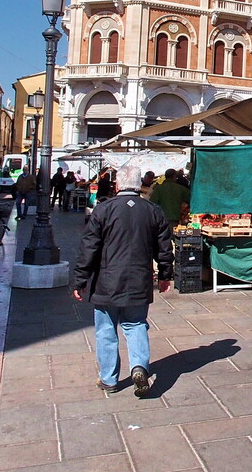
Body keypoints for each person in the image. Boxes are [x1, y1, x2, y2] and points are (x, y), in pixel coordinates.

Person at [72, 164, 174, 396]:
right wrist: (166, 274)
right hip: (139, 278)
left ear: (118, 184)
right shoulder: (153, 210)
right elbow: (164, 247)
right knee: (136, 324)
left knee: (106, 329)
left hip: (106, 281)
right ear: (140, 185)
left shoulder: (103, 210)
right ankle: (139, 366)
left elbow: (89, 248)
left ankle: (109, 379)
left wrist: (80, 280)